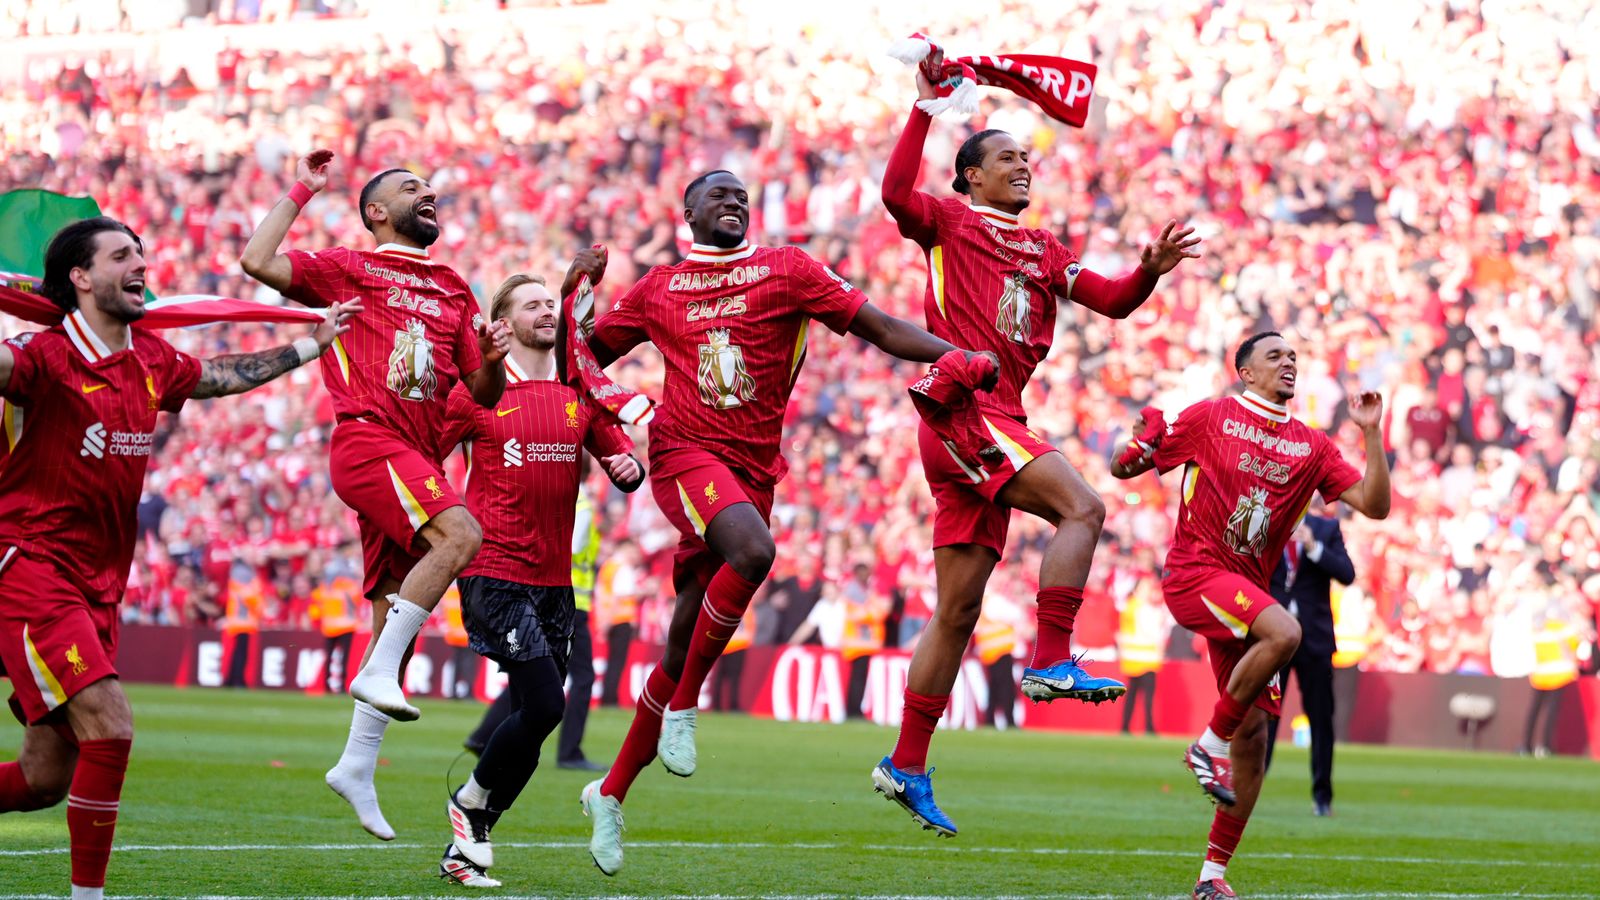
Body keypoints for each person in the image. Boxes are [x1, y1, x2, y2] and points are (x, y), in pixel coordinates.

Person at [579, 169, 995, 876]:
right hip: (683, 454)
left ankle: (610, 792)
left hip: (752, 474)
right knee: (753, 552)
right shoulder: (658, 287)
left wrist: (951, 355)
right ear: (686, 213)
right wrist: (582, 336)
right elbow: (583, 355)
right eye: (719, 195)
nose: (735, 202)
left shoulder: (789, 270)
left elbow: (883, 328)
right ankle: (685, 708)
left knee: (682, 642)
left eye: (743, 194)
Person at [871, 51, 1203, 835]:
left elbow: (1116, 302)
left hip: (994, 422)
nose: (1023, 168)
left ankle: (906, 763)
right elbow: (892, 194)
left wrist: (1149, 271)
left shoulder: (1046, 247)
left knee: (956, 613)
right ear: (971, 178)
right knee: (1083, 509)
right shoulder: (948, 223)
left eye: (1027, 159)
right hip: (965, 411)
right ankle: (1052, 654)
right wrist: (924, 110)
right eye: (1007, 159)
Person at [0, 215, 357, 900]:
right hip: (31, 569)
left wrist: (310, 348)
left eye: (142, 251)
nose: (142, 263)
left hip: (99, 585)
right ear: (80, 277)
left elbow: (219, 376)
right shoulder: (42, 356)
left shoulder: (151, 360)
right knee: (111, 723)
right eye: (121, 255)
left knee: (45, 779)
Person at [239, 150, 512, 841]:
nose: (429, 191)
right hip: (368, 440)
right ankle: (378, 676)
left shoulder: (454, 287)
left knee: (397, 611)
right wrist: (304, 187)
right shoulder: (349, 268)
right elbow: (257, 260)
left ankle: (356, 765)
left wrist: (495, 357)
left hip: (415, 456)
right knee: (461, 537)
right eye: (409, 186)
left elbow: (482, 394)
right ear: (376, 213)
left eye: (429, 184)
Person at [1111, 331, 1391, 899]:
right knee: (1286, 630)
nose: (1289, 361)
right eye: (1275, 355)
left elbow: (1376, 505)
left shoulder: (1311, 445)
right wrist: (1138, 441)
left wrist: (1372, 435)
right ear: (1245, 372)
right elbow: (1123, 469)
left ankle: (1212, 877)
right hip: (1197, 574)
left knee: (1258, 738)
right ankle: (1207, 744)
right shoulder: (1211, 417)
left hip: (1246, 596)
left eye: (1294, 356)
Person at [433, 268, 644, 887]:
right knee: (548, 700)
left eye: (551, 304)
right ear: (503, 321)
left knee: (541, 712)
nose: (546, 313)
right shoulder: (478, 391)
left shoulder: (578, 392)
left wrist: (626, 467)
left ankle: (470, 835)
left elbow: (617, 454)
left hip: (556, 582)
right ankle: (469, 802)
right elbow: (425, 455)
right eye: (531, 305)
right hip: (494, 570)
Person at [1263, 496, 1354, 816]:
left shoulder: (1326, 529)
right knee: (1265, 716)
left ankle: (1322, 797)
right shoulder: (1268, 524)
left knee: (1321, 720)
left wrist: (1314, 548)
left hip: (1314, 640)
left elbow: (1347, 573)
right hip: (1274, 637)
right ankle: (1250, 788)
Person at [557, 477, 608, 770]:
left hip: (555, 596)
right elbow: (576, 549)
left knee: (540, 670)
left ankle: (484, 736)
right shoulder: (583, 503)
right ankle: (569, 752)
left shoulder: (556, 494)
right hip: (574, 601)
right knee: (583, 677)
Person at [1521, 598, 1582, 758]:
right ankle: (1545, 746)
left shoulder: (1538, 627)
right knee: (1550, 713)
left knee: (1534, 711)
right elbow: (1572, 650)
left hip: (1541, 674)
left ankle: (1526, 746)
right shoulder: (1564, 628)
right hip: (1559, 674)